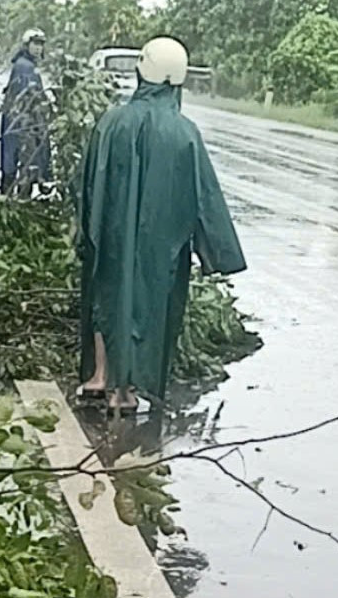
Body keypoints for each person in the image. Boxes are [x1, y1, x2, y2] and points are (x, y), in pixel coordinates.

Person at [77, 36, 246, 414]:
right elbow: (206, 198)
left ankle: (101, 376)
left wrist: (86, 230)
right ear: (177, 80)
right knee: (149, 306)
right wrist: (217, 253)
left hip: (111, 236)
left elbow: (85, 186)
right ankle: (127, 391)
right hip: (161, 245)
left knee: (107, 294)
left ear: (142, 72)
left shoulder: (110, 123)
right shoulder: (185, 133)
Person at [1, 29, 52, 195]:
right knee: (27, 166)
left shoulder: (23, 65)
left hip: (15, 122)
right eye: (35, 44)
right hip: (23, 124)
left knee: (11, 165)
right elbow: (30, 100)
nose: (38, 48)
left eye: (40, 45)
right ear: (26, 45)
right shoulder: (26, 67)